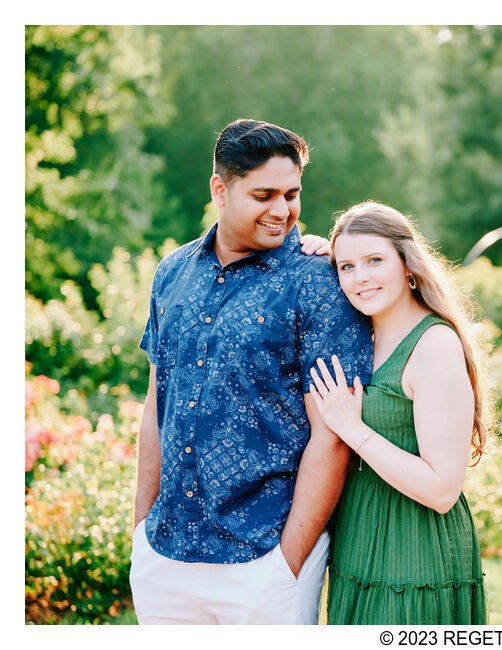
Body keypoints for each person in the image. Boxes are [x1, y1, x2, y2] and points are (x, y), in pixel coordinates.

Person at [130, 119, 373, 624]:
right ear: (220, 189)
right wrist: (141, 532)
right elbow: (158, 403)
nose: (282, 211)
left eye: (292, 194)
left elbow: (334, 433)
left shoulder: (318, 282)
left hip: (264, 559)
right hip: (164, 553)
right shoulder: (172, 273)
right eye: (264, 194)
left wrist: (287, 563)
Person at [300, 201, 489, 624]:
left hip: (416, 548)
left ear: (407, 264)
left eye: (374, 260)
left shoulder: (433, 345)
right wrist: (308, 253)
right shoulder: (357, 333)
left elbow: (443, 490)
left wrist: (352, 429)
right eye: (346, 266)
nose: (360, 277)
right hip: (358, 541)